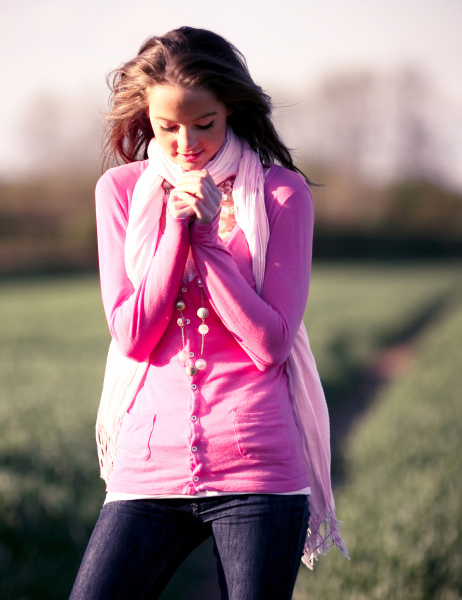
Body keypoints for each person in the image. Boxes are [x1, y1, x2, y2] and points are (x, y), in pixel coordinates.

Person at [71, 27, 348, 600]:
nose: (185, 143)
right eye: (168, 126)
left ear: (232, 110)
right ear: (147, 117)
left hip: (260, 469)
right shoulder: (119, 192)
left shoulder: (281, 195)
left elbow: (270, 342)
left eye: (204, 123)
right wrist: (177, 228)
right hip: (148, 467)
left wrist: (211, 241)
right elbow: (132, 336)